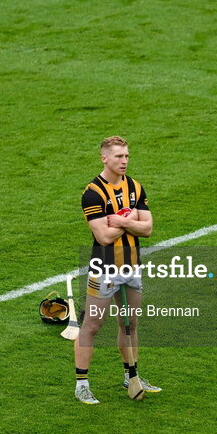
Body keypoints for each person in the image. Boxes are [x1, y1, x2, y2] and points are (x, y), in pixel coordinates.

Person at [75, 136, 160, 404]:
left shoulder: (135, 186)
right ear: (104, 158)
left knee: (130, 324)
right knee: (92, 324)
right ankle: (82, 384)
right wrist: (132, 218)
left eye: (126, 156)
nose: (124, 161)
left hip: (133, 266)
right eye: (118, 157)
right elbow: (103, 237)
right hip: (105, 268)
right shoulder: (93, 193)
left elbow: (147, 229)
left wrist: (122, 220)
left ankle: (131, 376)